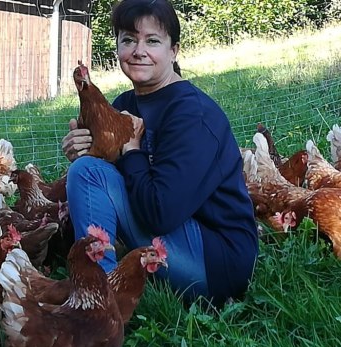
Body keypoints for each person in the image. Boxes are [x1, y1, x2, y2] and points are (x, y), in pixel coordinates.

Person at [61, 0, 259, 307]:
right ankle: (99, 285)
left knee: (88, 174)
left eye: (152, 40)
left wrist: (132, 152)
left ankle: (100, 300)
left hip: (216, 261)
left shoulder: (192, 114)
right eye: (128, 40)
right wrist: (89, 151)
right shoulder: (126, 102)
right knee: (87, 168)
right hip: (176, 234)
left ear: (174, 50)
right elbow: (118, 177)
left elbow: (160, 213)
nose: (138, 50)